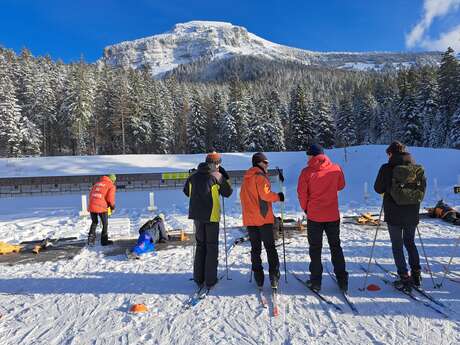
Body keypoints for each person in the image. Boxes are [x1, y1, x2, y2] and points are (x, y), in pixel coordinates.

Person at [374, 141, 425, 291]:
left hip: (393, 213)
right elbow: (423, 189)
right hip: (412, 212)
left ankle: (404, 278)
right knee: (410, 242)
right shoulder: (416, 168)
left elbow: (377, 188)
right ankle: (416, 274)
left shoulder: (386, 168)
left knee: (397, 245)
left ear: (391, 153)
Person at [297, 144, 348, 292]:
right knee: (336, 247)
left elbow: (302, 193)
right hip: (332, 214)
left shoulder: (306, 172)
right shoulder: (336, 168)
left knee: (315, 249)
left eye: (308, 155)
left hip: (314, 216)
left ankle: (316, 282)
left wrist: (306, 208)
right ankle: (343, 280)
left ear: (312, 155)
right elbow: (341, 185)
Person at [183, 151, 232, 290]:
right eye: (219, 162)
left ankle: (199, 277)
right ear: (216, 163)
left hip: (196, 216)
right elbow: (228, 192)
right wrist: (224, 177)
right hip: (211, 216)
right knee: (211, 247)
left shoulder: (193, 175)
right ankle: (210, 279)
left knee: (200, 246)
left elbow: (187, 192)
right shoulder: (217, 175)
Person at [240, 152, 283, 289]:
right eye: (265, 162)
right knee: (270, 248)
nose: (267, 164)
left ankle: (258, 277)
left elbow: (243, 197)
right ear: (259, 163)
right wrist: (279, 196)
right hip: (263, 219)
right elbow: (265, 195)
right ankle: (274, 276)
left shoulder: (246, 178)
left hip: (250, 219)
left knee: (255, 249)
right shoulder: (260, 177)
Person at [88, 174, 117, 246]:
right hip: (102, 206)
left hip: (92, 205)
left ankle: (90, 240)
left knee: (94, 222)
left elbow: (90, 194)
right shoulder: (111, 186)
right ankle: (104, 241)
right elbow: (110, 198)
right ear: (112, 180)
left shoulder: (97, 184)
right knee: (105, 224)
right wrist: (112, 206)